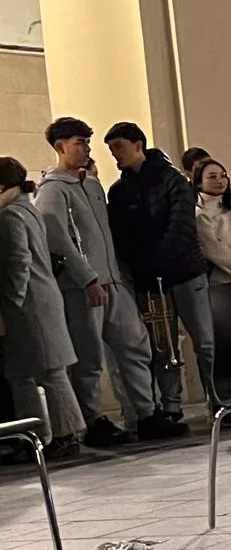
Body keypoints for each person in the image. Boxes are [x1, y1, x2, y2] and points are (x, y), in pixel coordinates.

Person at [36, 118, 173, 446]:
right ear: (60, 146)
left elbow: (106, 235)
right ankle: (93, 419)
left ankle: (146, 412)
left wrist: (118, 273)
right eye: (79, 142)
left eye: (87, 141)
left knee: (135, 345)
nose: (86, 147)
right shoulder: (53, 190)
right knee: (90, 357)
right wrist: (87, 279)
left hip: (113, 281)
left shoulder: (92, 186)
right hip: (83, 287)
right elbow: (60, 241)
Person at [104, 122, 218, 418]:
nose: (115, 155)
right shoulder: (118, 192)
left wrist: (159, 260)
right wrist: (140, 268)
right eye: (111, 149)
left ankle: (218, 398)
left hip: (185, 272)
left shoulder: (173, 180)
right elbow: (120, 235)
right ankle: (171, 404)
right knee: (162, 346)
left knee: (205, 342)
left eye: (119, 147)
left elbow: (181, 225)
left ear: (138, 145)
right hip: (148, 280)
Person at [0, 158, 86, 461]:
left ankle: (62, 435)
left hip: (28, 308)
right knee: (26, 375)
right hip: (42, 301)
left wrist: (10, 304)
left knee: (47, 374)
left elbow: (18, 265)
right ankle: (35, 436)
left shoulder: (10, 216)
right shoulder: (28, 210)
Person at [192, 159, 231, 284]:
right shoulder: (199, 213)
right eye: (212, 177)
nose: (219, 181)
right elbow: (215, 251)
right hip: (221, 280)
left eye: (223, 176)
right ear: (199, 183)